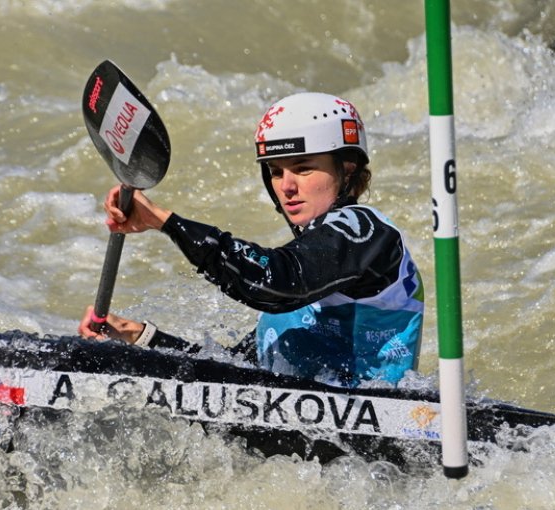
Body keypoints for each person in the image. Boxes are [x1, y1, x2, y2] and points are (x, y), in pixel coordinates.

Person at [78, 92, 424, 387]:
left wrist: (168, 223)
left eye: (303, 168)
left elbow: (274, 282)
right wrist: (138, 336)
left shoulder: (364, 231)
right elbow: (233, 373)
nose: (287, 186)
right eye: (276, 172)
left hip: (365, 439)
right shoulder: (310, 271)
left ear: (346, 170)